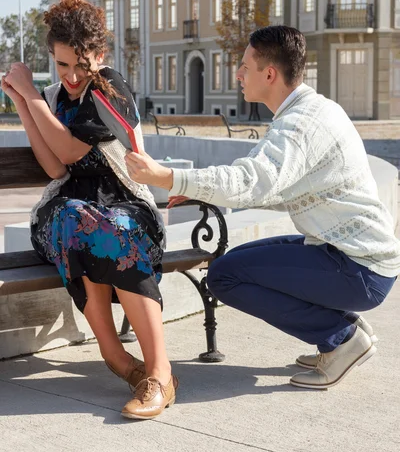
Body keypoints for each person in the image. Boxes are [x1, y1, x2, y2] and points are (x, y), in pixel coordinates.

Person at [124, 25, 400, 390]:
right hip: (355, 257)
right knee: (230, 266)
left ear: (269, 74)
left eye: (244, 66)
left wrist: (167, 177)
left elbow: (250, 180)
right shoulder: (314, 108)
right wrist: (200, 192)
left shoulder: (298, 126)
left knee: (226, 277)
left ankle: (342, 339)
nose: (238, 74)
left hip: (358, 269)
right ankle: (342, 330)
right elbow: (275, 188)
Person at [1, 0, 177, 418]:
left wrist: (29, 94)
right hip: (71, 210)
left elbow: (69, 148)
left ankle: (159, 372)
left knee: (109, 229)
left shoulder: (110, 87)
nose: (73, 76)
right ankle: (117, 357)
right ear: (53, 57)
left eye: (82, 64)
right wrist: (26, 103)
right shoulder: (52, 95)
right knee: (75, 219)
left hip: (125, 205)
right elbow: (53, 165)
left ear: (101, 55)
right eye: (63, 65)